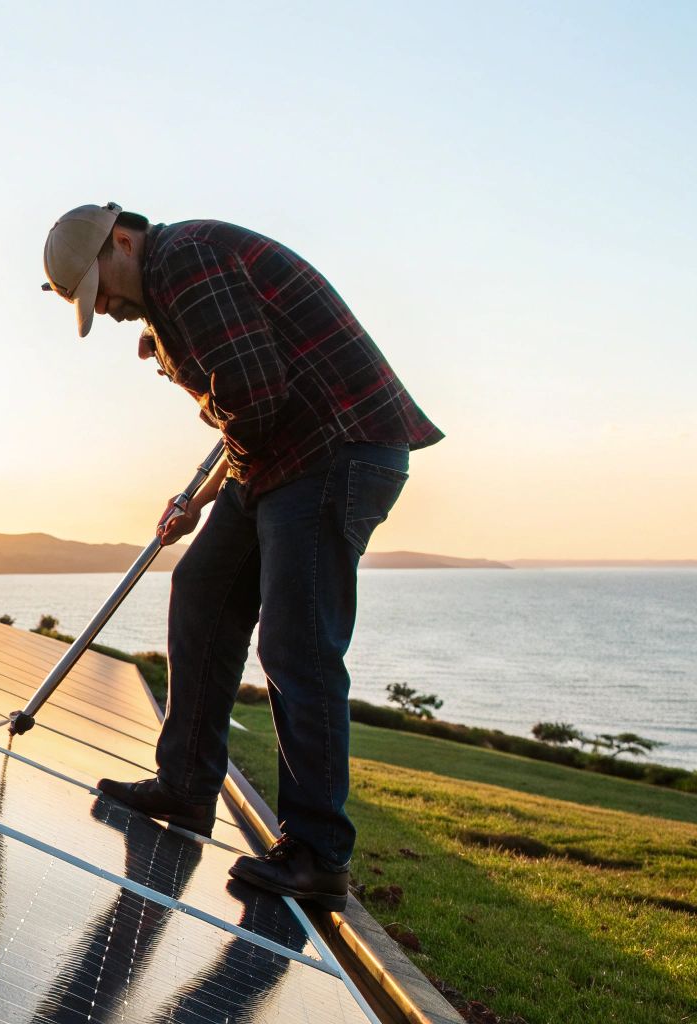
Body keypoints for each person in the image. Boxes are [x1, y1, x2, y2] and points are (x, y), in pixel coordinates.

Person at [41, 203, 442, 910]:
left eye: (97, 292)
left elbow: (253, 400)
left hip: (336, 451)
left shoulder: (186, 262)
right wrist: (205, 497)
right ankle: (187, 788)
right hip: (280, 458)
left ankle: (317, 855)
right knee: (202, 590)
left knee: (297, 643)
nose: (103, 311)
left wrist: (220, 484)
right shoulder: (169, 288)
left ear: (122, 242)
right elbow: (253, 406)